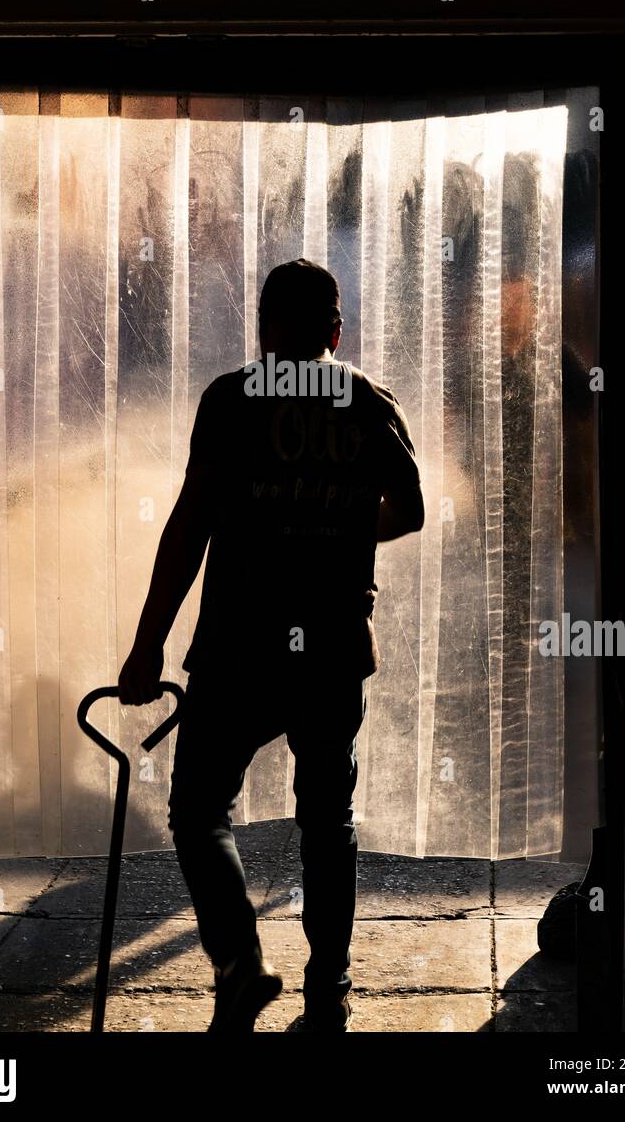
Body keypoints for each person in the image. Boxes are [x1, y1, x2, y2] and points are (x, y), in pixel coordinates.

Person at [118, 258, 424, 1032]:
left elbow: (189, 527)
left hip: (236, 646)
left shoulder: (230, 400)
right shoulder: (364, 400)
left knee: (196, 810)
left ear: (262, 328)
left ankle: (240, 965)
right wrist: (341, 530)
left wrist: (147, 645)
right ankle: (329, 984)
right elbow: (410, 510)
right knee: (327, 817)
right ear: (334, 331)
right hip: (331, 647)